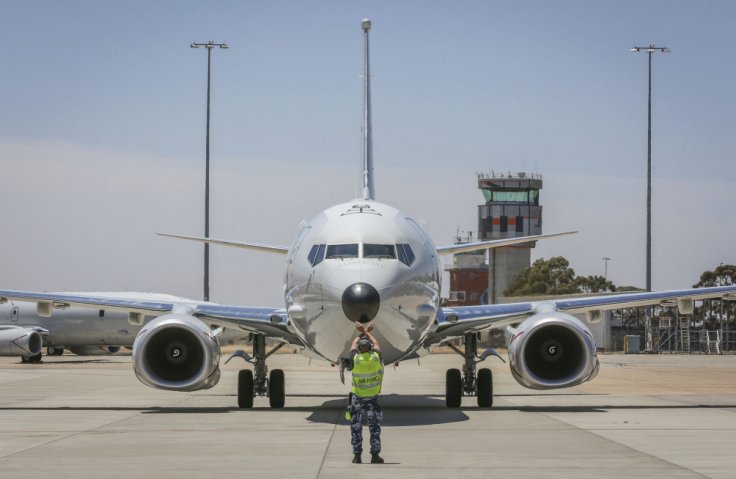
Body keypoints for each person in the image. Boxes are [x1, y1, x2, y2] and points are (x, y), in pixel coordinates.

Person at [348, 322, 384, 464]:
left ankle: (357, 456)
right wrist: (368, 332)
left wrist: (361, 332)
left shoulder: (355, 359)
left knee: (356, 428)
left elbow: (353, 344)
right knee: (374, 428)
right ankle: (375, 456)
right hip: (372, 400)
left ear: (359, 349)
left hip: (357, 399)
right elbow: (376, 343)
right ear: (369, 348)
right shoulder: (375, 358)